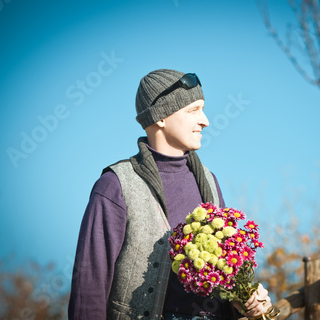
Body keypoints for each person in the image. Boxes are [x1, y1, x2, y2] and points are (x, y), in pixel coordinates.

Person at [68, 69, 272, 319]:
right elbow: (90, 287)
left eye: (203, 109)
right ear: (161, 117)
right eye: (193, 110)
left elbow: (224, 275)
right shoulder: (115, 185)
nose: (205, 120)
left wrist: (247, 301)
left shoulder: (209, 180)